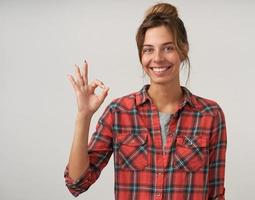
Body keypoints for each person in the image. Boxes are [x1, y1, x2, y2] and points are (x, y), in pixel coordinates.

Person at [64, 2, 227, 200]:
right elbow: (77, 183)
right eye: (148, 50)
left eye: (168, 48)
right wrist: (84, 116)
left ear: (183, 50)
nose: (157, 58)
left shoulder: (210, 114)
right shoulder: (119, 112)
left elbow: (215, 194)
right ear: (141, 55)